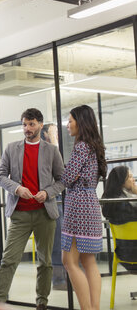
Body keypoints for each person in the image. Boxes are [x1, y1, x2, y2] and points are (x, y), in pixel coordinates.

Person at [0, 109, 65, 309]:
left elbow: (62, 180)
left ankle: (42, 302)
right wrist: (16, 188)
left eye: (31, 124)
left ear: (40, 125)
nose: (27, 129)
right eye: (24, 124)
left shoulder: (51, 151)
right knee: (8, 260)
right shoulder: (11, 148)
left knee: (45, 262)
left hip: (45, 214)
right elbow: (0, 176)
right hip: (19, 214)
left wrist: (48, 192)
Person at [61, 105, 107, 310]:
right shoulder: (94, 146)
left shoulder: (81, 147)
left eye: (70, 120)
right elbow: (73, 176)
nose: (68, 124)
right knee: (88, 261)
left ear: (81, 122)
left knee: (69, 260)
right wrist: (73, 175)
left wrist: (71, 175)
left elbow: (67, 177)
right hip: (90, 205)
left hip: (77, 207)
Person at [41, 123, 67, 291]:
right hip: (51, 199)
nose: (57, 134)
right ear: (45, 135)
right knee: (57, 240)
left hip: (61, 197)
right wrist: (53, 138)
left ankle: (65, 278)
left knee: (64, 239)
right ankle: (58, 280)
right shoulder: (46, 149)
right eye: (53, 131)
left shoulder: (57, 149)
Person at [101, 165, 137, 272]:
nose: (133, 179)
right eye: (130, 177)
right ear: (122, 182)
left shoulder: (111, 203)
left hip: (123, 255)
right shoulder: (125, 204)